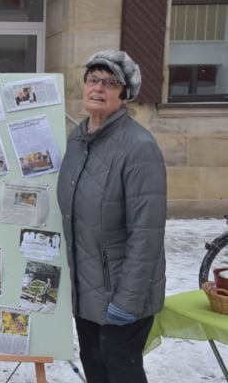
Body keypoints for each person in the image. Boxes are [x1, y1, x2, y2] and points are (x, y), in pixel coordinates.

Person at [57, 50, 166, 383]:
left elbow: (146, 234)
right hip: (86, 291)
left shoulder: (139, 148)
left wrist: (127, 301)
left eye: (110, 82)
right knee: (96, 370)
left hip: (122, 293)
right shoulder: (77, 140)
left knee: (121, 371)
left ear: (125, 94)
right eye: (93, 79)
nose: (98, 88)